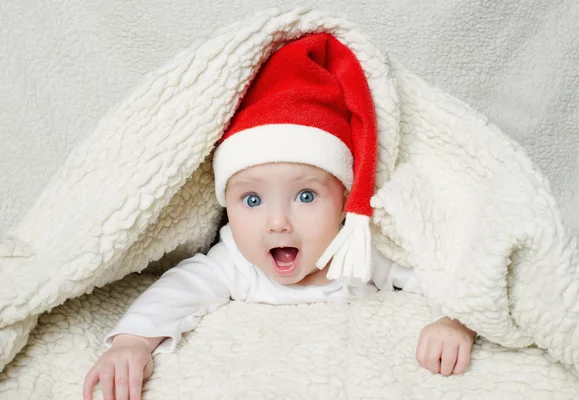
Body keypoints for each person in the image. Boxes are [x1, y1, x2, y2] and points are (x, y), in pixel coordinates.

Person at [83, 33, 476, 400]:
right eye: (251, 200)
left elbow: (436, 276)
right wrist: (133, 341)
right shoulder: (235, 259)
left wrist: (453, 322)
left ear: (344, 201)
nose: (277, 222)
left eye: (305, 196)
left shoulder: (357, 253)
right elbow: (181, 290)